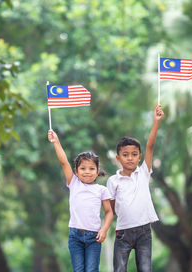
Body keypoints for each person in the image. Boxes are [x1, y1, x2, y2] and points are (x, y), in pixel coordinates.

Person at [107, 104, 164, 272]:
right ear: (118, 158)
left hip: (144, 232)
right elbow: (111, 208)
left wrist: (156, 121)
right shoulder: (113, 181)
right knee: (119, 269)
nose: (130, 158)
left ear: (139, 157)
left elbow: (150, 146)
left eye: (134, 155)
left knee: (145, 269)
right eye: (125, 155)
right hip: (122, 232)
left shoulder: (144, 173)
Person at [48, 129, 113, 272]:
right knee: (78, 270)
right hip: (75, 236)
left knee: (91, 270)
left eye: (91, 168)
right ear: (76, 171)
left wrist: (104, 230)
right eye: (83, 168)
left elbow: (109, 212)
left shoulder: (101, 190)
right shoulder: (74, 183)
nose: (87, 171)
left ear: (97, 171)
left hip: (94, 237)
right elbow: (64, 162)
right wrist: (56, 141)